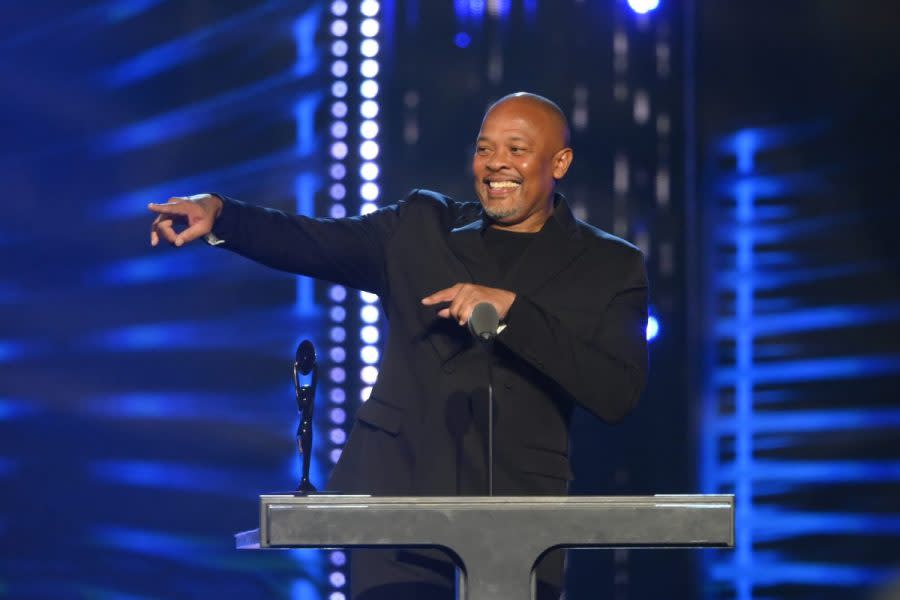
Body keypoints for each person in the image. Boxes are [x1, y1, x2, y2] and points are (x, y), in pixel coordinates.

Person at [148, 92, 648, 600]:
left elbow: (616, 392)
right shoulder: (420, 226)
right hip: (398, 498)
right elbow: (312, 240)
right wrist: (223, 216)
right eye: (484, 149)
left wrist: (514, 313)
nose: (496, 163)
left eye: (517, 149)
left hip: (521, 512)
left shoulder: (609, 265)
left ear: (559, 161)